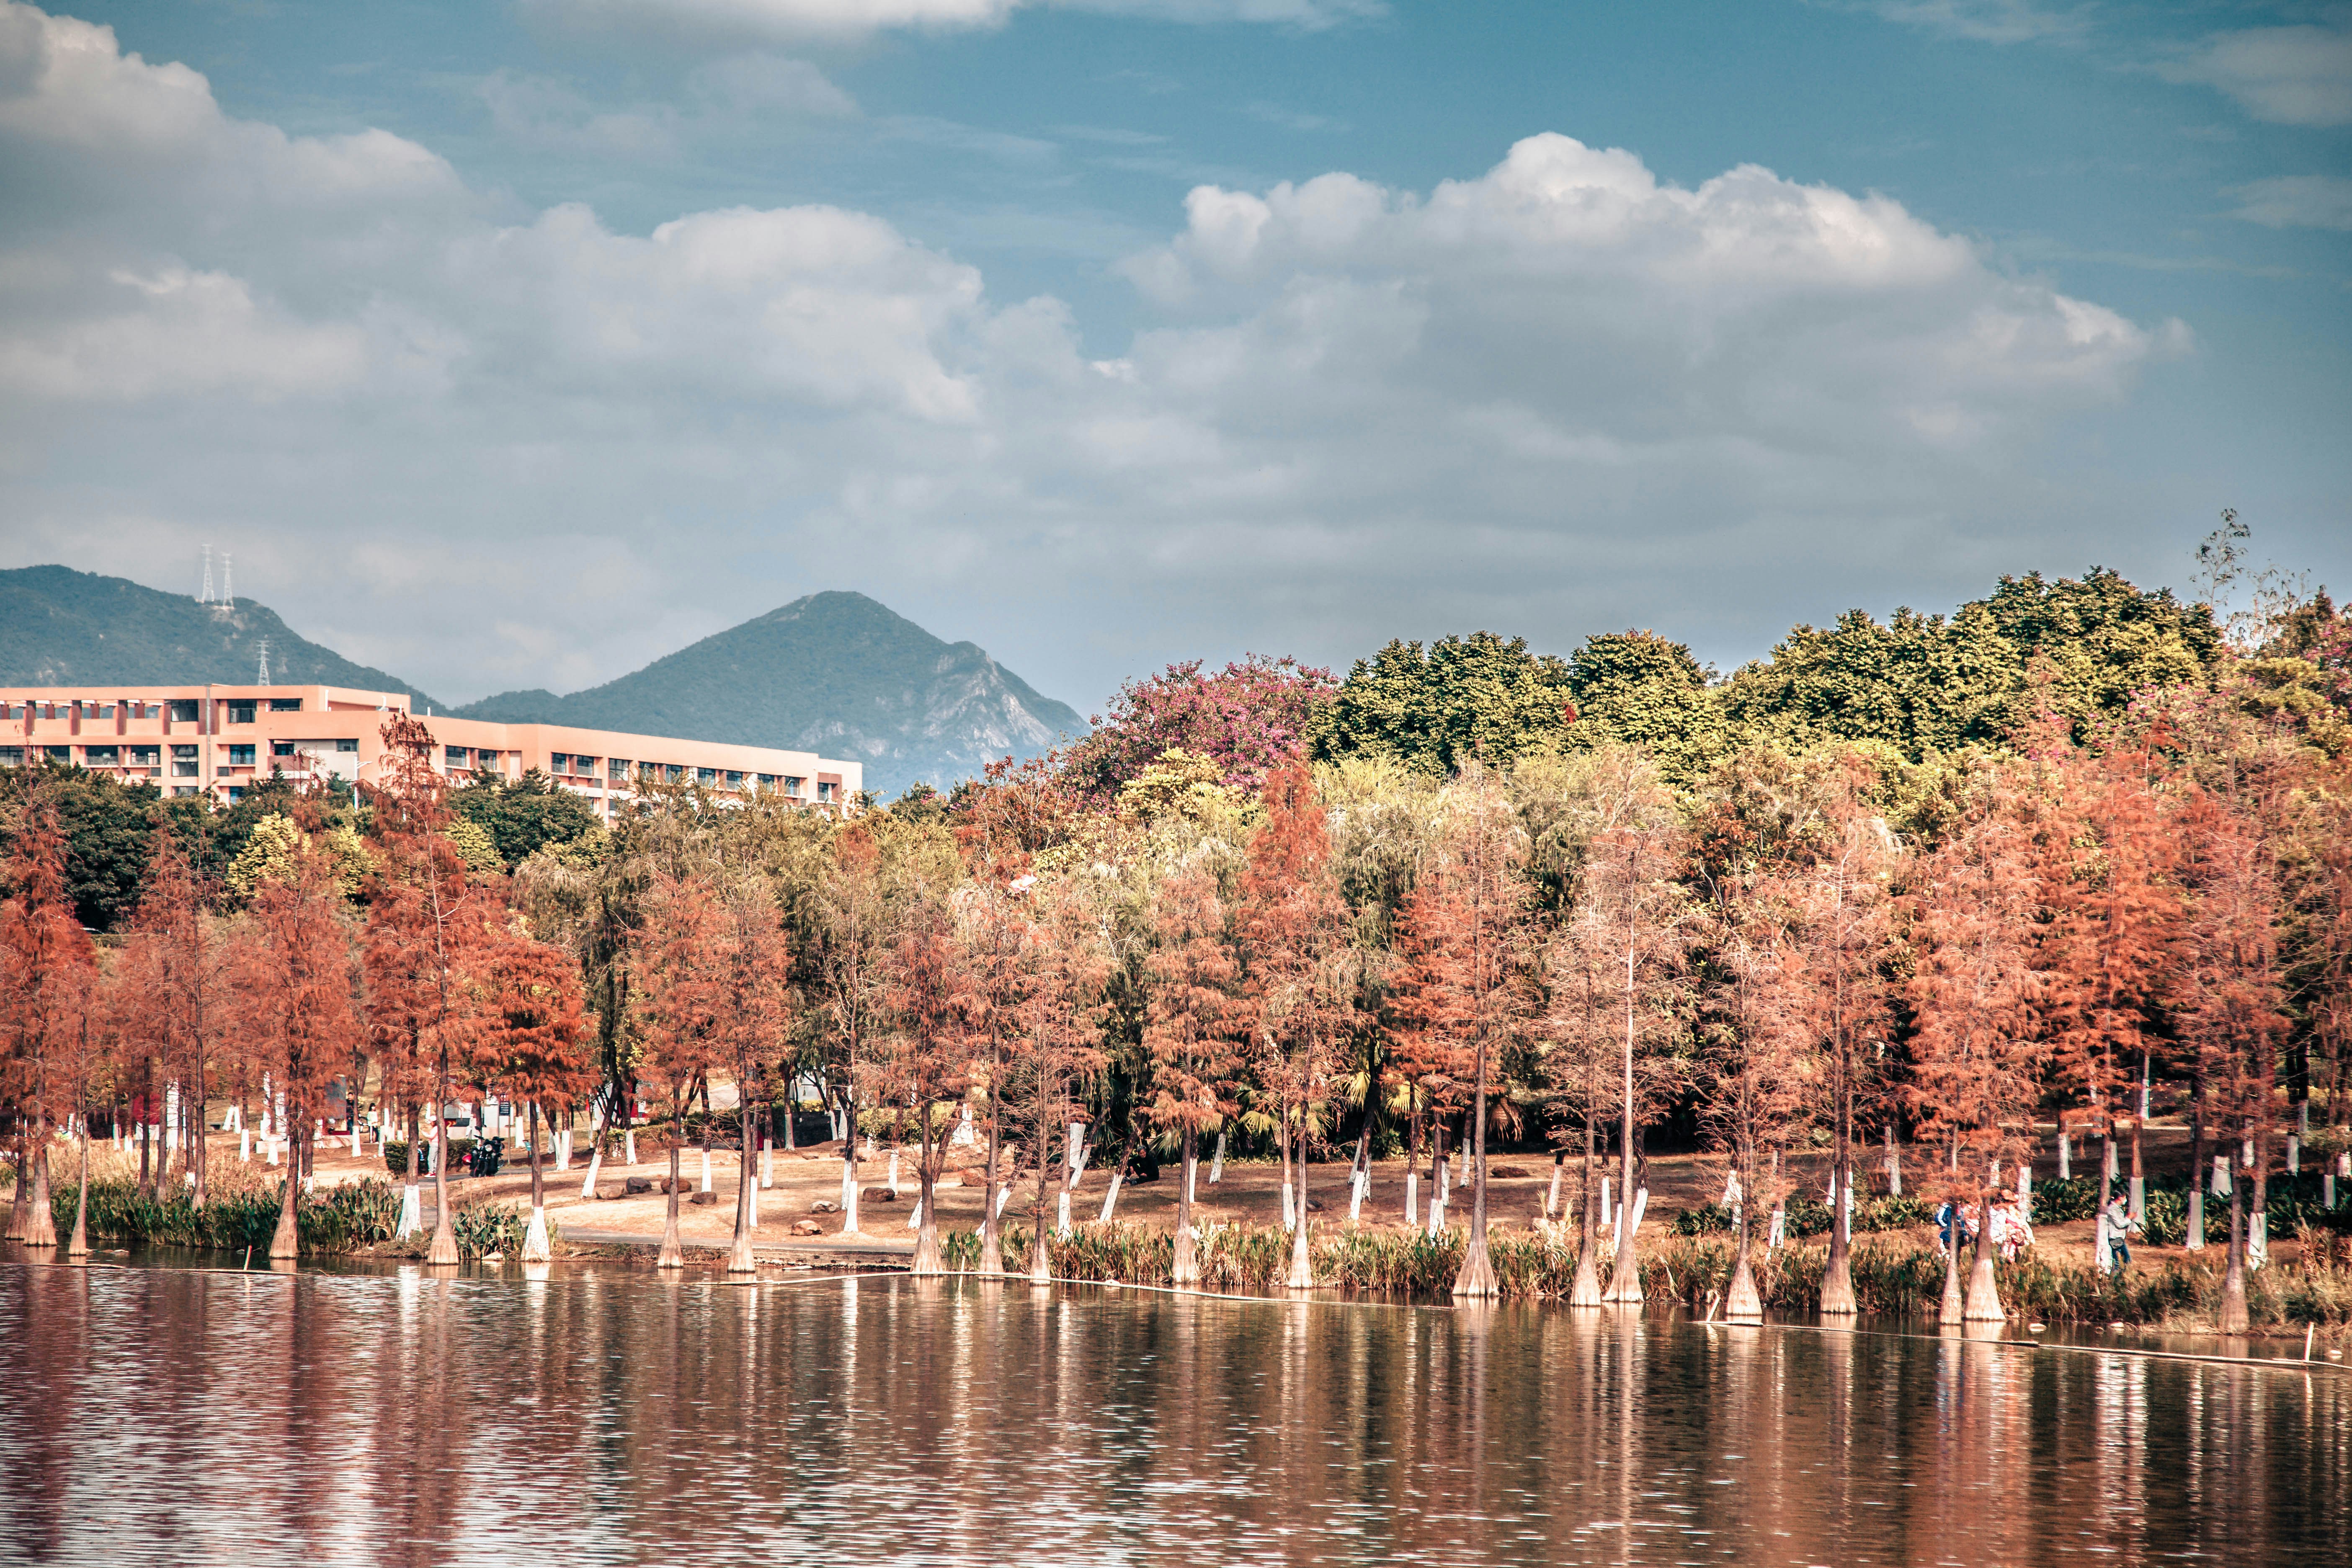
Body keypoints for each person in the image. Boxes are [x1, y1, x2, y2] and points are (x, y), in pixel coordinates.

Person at [2102, 1192, 2137, 1271]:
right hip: (2115, 1238)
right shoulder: (2113, 1209)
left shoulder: (2117, 1208)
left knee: (2122, 1261)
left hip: (2119, 1238)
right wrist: (2129, 1219)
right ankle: (2116, 1281)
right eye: (2125, 1198)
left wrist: (2127, 1218)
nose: (2125, 1200)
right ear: (2120, 1198)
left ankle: (2119, 1280)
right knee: (2122, 1261)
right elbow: (2119, 1224)